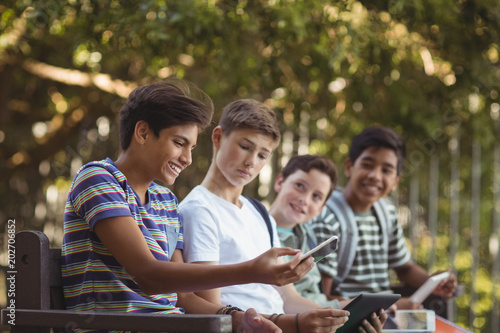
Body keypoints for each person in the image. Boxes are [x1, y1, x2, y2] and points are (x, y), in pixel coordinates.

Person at [61, 80, 315, 333]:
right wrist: (252, 271)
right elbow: (150, 276)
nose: (188, 159)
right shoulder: (98, 179)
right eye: (179, 143)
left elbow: (183, 297)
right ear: (143, 133)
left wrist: (235, 318)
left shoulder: (165, 200)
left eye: (191, 147)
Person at [180, 99, 351, 333]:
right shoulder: (199, 210)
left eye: (262, 155)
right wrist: (294, 324)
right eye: (245, 147)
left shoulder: (259, 212)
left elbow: (288, 299)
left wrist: (341, 320)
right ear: (218, 137)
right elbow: (211, 309)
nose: (251, 162)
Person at [309, 126, 457, 309]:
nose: (375, 176)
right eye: (367, 165)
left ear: (396, 180)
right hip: (347, 319)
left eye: (386, 170)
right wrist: (395, 306)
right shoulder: (328, 217)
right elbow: (322, 299)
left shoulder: (386, 212)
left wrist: (433, 283)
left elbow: (404, 268)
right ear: (349, 167)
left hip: (384, 317)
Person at [271, 154, 388, 332]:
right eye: (299, 186)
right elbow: (288, 300)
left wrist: (349, 307)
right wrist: (340, 315)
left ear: (321, 208)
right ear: (280, 182)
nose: (305, 199)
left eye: (316, 197)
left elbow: (316, 296)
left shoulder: (308, 236)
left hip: (319, 311)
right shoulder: (260, 231)